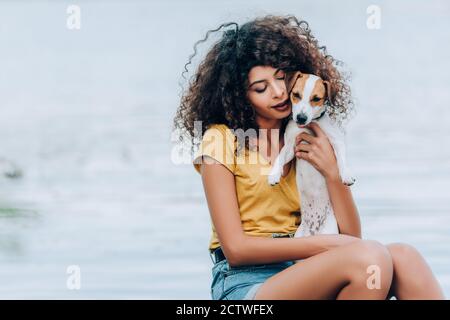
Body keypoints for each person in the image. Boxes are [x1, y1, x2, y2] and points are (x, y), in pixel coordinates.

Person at [173, 15, 445, 300]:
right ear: (239, 96)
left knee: (405, 258)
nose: (278, 93)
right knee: (369, 260)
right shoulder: (220, 140)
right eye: (261, 88)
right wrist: (324, 246)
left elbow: (351, 238)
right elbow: (236, 250)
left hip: (308, 268)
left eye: (281, 79)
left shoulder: (308, 137)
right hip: (246, 283)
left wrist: (332, 173)